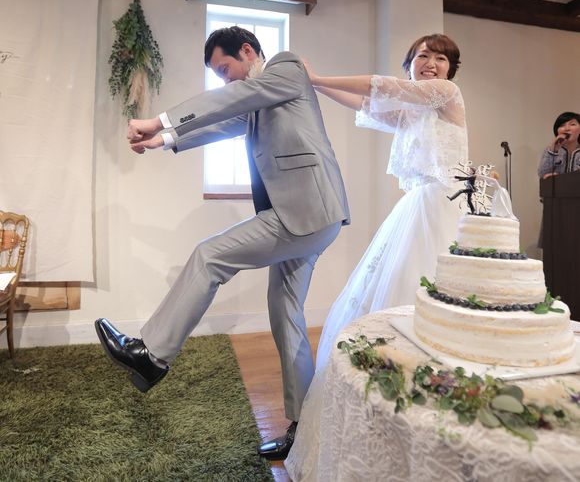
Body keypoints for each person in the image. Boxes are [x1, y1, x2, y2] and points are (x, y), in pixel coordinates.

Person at [94, 26, 350, 461]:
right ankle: (305, 427)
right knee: (285, 315)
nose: (225, 80)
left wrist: (159, 119)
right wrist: (165, 139)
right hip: (309, 216)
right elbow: (228, 122)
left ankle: (151, 355)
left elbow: (233, 100)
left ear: (248, 50)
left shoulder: (286, 67)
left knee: (209, 256)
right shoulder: (260, 98)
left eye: (225, 69)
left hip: (306, 213)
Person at [285, 34, 469, 481]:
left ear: (450, 70)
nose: (431, 63)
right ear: (410, 63)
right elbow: (367, 103)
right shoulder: (411, 112)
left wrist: (317, 77)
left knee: (435, 302)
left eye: (440, 58)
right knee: (389, 298)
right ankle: (384, 417)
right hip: (417, 208)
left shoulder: (446, 94)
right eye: (422, 56)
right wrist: (316, 86)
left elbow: (380, 86)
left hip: (445, 208)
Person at [538, 111, 580, 179]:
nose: (567, 128)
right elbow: (542, 174)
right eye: (562, 125)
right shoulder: (551, 150)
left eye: (572, 124)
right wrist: (554, 150)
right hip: (558, 186)